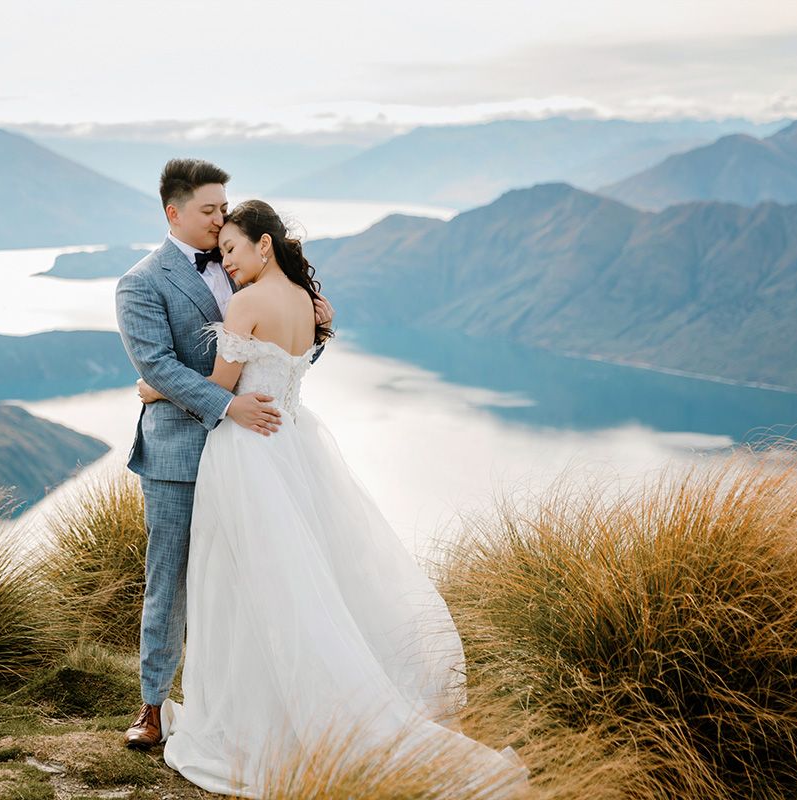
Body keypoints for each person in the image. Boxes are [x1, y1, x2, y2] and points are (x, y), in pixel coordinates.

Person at [134, 200, 528, 797]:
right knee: (299, 582)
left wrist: (152, 389)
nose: (228, 263)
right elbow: (300, 361)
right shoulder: (304, 301)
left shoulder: (245, 303)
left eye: (234, 250)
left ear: (263, 245)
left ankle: (257, 723)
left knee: (240, 587)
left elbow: (217, 387)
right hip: (294, 446)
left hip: (247, 453)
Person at [114, 160, 334, 750]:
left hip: (251, 452)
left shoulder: (246, 268)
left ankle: (260, 707)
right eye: (209, 210)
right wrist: (226, 406)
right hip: (180, 453)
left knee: (252, 580)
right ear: (174, 213)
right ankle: (153, 707)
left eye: (223, 208)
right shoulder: (141, 282)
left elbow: (273, 357)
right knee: (171, 580)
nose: (220, 219)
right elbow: (154, 364)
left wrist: (316, 333)